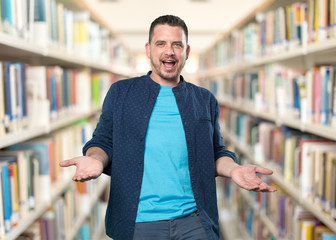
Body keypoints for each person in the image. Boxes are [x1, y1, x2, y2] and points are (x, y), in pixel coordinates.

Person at [60, 15, 277, 240]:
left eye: (177, 44)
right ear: (148, 49)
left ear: (187, 51)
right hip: (139, 223)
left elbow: (214, 153)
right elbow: (103, 142)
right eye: (161, 43)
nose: (169, 51)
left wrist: (234, 170)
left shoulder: (204, 99)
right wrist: (95, 159)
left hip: (195, 222)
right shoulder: (121, 93)